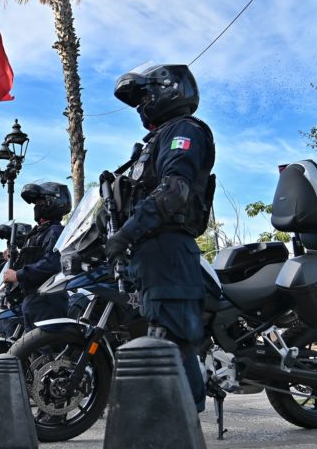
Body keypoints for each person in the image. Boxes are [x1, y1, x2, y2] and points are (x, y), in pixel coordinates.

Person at [105, 63, 215, 412]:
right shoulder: (153, 141)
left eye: (144, 96)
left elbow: (173, 192)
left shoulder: (185, 130)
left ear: (168, 90)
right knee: (159, 335)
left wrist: (126, 233)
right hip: (150, 251)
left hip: (169, 248)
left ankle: (184, 427)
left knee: (173, 340)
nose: (140, 105)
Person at [2, 182, 71, 332]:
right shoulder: (39, 233)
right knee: (32, 352)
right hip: (34, 299)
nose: (36, 206)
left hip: (48, 299)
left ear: (53, 203)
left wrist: (18, 274)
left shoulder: (55, 231)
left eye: (40, 202)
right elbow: (32, 259)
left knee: (48, 351)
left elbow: (52, 263)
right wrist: (14, 258)